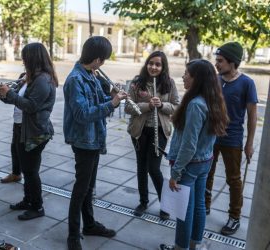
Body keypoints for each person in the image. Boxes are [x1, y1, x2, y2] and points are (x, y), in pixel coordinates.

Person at [63, 36, 127, 250]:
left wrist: (112, 96)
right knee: (81, 189)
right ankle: (73, 235)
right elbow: (82, 114)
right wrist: (113, 103)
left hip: (94, 138)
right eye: (104, 59)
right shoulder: (75, 79)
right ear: (97, 59)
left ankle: (89, 224)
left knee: (89, 187)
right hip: (83, 140)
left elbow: (99, 102)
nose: (104, 64)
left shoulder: (91, 74)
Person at [159, 59, 229, 250]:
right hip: (204, 161)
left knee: (185, 209)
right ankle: (194, 244)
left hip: (190, 165)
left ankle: (180, 247)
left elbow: (189, 145)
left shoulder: (196, 105)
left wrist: (176, 172)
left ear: (196, 79)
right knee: (198, 205)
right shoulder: (212, 99)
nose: (183, 76)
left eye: (186, 74)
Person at [0, 42, 57, 220]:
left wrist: (10, 94)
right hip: (21, 127)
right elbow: (16, 99)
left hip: (35, 131)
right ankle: (27, 200)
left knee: (31, 171)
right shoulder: (30, 77)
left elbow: (31, 106)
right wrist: (4, 94)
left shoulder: (43, 80)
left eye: (24, 57)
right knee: (25, 167)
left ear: (33, 58)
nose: (22, 60)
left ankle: (37, 207)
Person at [205, 41, 258, 236]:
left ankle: (234, 217)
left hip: (233, 140)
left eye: (220, 61)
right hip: (210, 137)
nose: (216, 64)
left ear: (232, 62)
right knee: (206, 174)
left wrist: (249, 143)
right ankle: (205, 206)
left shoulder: (247, 83)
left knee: (234, 179)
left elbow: (252, 116)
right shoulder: (215, 80)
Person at [125, 51, 180, 220]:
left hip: (159, 131)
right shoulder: (136, 82)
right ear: (146, 64)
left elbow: (176, 106)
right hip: (139, 131)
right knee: (141, 167)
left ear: (163, 67)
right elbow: (128, 107)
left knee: (153, 168)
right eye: (151, 63)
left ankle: (166, 203)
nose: (153, 67)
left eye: (158, 64)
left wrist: (162, 104)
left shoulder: (169, 83)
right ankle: (143, 201)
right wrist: (147, 105)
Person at [0, 72, 27, 184]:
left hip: (27, 123)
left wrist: (9, 92)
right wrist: (2, 94)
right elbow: (13, 98)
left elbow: (29, 104)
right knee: (14, 148)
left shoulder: (38, 80)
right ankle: (16, 174)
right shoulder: (24, 76)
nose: (24, 64)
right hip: (18, 120)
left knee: (25, 154)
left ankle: (29, 183)